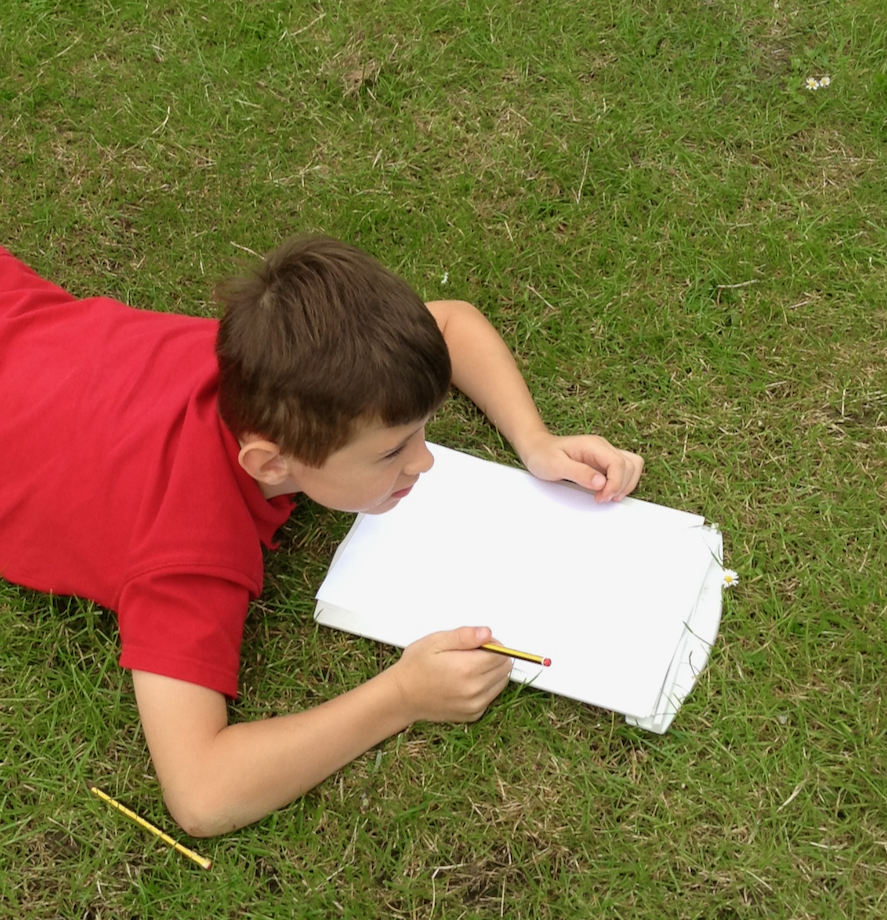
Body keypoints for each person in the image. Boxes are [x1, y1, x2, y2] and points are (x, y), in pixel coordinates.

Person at [0, 236, 643, 837]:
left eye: (421, 432)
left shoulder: (284, 369)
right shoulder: (186, 547)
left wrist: (535, 441)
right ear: (271, 464)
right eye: (391, 451)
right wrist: (400, 696)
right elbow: (201, 792)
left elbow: (451, 324)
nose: (424, 462)